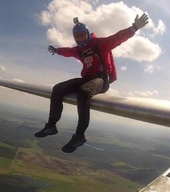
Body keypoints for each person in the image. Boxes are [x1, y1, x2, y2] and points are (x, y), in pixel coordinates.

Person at [34, 13, 149, 153]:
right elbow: (69, 51)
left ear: (88, 34)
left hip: (101, 79)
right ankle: (51, 126)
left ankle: (79, 136)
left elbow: (117, 38)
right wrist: (57, 50)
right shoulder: (79, 50)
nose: (80, 38)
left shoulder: (100, 44)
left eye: (82, 35)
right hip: (87, 79)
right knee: (58, 89)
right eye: (77, 36)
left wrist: (134, 27)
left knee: (83, 92)